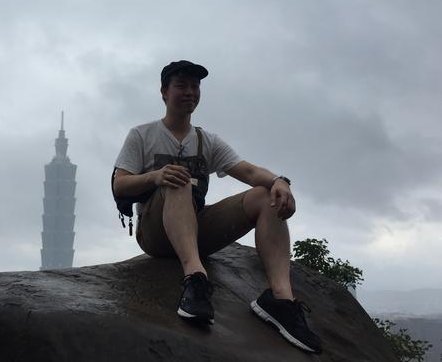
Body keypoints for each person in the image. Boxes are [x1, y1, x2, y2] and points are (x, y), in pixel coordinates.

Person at [112, 60, 322, 354]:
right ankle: (195, 279)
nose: (190, 92)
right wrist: (156, 176)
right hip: (156, 233)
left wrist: (280, 181)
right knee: (179, 178)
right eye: (181, 86)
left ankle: (281, 301)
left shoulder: (206, 140)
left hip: (196, 229)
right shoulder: (142, 135)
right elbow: (120, 184)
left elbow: (248, 171)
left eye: (195, 86)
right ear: (164, 92)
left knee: (266, 195)